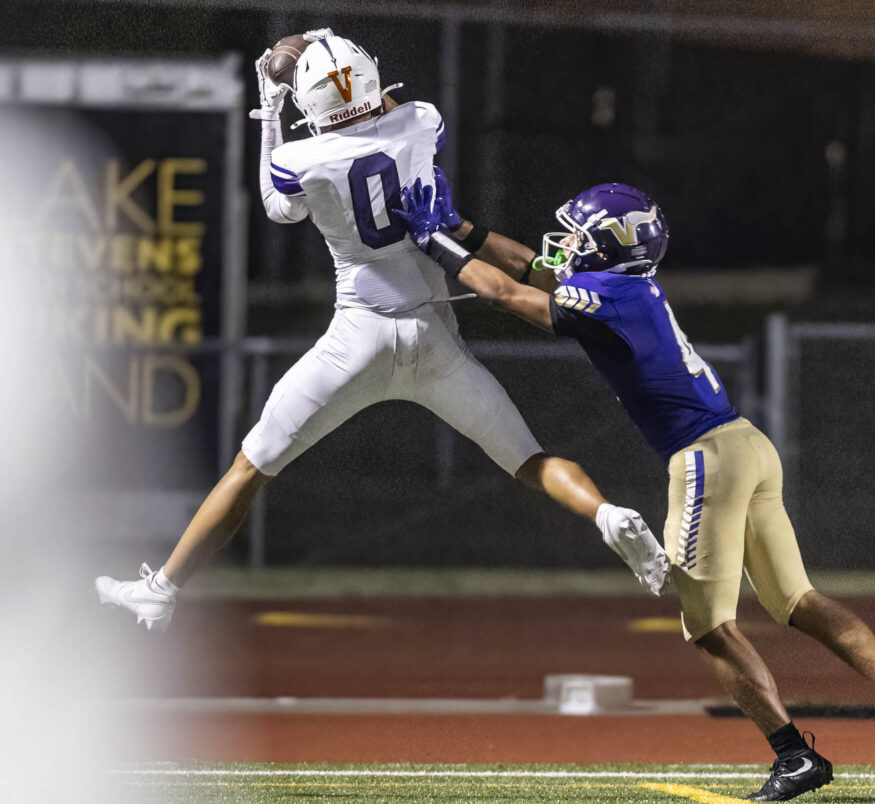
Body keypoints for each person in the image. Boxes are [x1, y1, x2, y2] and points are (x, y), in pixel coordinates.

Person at [393, 173, 875, 801]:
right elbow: (530, 266)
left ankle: (794, 756)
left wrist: (432, 240)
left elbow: (505, 292)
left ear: (607, 244)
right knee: (795, 600)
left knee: (707, 624)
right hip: (746, 444)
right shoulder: (625, 285)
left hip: (705, 456)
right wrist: (461, 228)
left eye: (578, 235)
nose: (565, 244)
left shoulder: (605, 295)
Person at [95, 33, 673, 633]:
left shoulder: (300, 160)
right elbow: (390, 109)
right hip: (434, 338)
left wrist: (271, 107)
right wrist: (343, 68)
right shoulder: (421, 121)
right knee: (531, 461)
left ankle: (162, 588)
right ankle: (605, 514)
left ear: (309, 106)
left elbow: (278, 205)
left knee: (251, 467)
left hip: (358, 339)